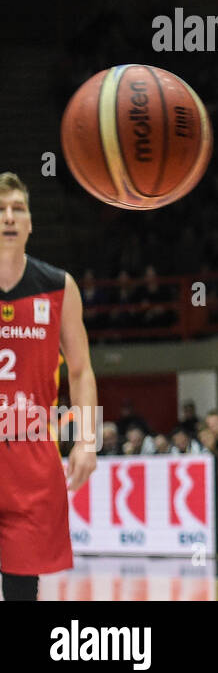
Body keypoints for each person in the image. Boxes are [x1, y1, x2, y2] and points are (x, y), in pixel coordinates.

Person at [0, 172, 99, 601]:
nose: (8, 217)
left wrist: (87, 441)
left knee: (23, 589)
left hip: (31, 450)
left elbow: (80, 371)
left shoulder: (59, 287)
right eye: (0, 209)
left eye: (18, 208)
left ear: (30, 223)